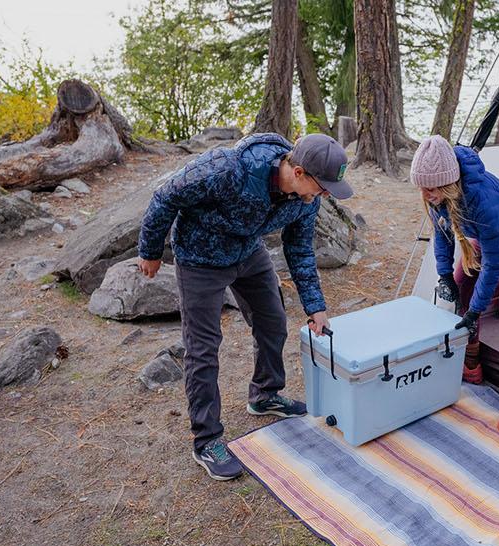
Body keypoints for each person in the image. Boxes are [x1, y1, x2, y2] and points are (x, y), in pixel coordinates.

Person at [137, 132, 353, 481]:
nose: (325, 195)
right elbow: (166, 195)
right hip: (200, 258)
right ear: (298, 172)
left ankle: (264, 394)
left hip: (248, 253)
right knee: (203, 349)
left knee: (272, 321)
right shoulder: (228, 168)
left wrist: (315, 306)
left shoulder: (306, 199)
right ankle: (207, 440)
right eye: (323, 185)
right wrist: (149, 250)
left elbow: (299, 250)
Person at [410, 135, 499, 431]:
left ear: (447, 183)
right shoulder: (435, 193)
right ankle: (472, 366)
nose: (425, 193)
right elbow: (443, 235)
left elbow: (495, 264)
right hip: (488, 237)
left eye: (430, 188)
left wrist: (475, 312)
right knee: (459, 288)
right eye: (421, 186)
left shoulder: (483, 201)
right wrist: (444, 275)